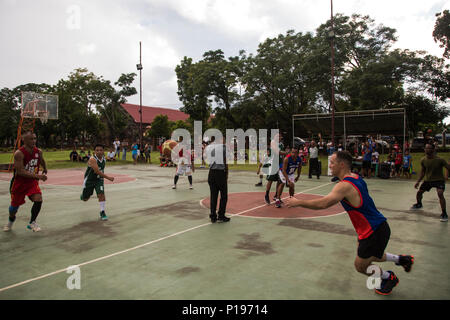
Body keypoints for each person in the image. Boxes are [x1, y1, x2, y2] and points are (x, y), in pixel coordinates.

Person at [286, 151, 414, 295]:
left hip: (374, 230)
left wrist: (298, 202)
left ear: (341, 165)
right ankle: (403, 259)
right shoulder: (356, 177)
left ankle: (388, 277)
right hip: (374, 227)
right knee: (373, 256)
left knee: (360, 266)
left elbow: (323, 204)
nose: (329, 165)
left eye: (332, 162)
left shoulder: (344, 186)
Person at [3, 131, 48, 232]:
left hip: (31, 182)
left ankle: (32, 222)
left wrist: (45, 167)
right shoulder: (19, 153)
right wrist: (38, 176)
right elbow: (20, 171)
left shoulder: (38, 151)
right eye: (31, 139)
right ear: (24, 140)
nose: (34, 141)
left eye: (35, 138)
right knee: (13, 209)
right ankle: (10, 221)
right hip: (19, 183)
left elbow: (41, 160)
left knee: (38, 198)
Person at [411, 143, 450, 222]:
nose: (426, 149)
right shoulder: (423, 160)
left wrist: (446, 176)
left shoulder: (440, 160)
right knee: (419, 193)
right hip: (428, 180)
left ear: (433, 150)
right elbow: (423, 172)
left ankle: (444, 213)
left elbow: (448, 168)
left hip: (439, 180)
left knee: (440, 193)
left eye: (428, 148)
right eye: (426, 148)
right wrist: (418, 181)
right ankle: (419, 204)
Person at [80, 144, 114, 221]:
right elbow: (97, 171)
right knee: (85, 199)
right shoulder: (92, 159)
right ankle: (83, 196)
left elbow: (101, 170)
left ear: (103, 151)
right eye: (97, 150)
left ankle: (102, 212)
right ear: (94, 151)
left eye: (101, 150)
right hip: (90, 180)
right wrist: (108, 178)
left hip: (99, 180)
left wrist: (103, 178)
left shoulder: (104, 159)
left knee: (101, 194)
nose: (99, 152)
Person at [205, 136, 230, 223]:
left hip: (211, 173)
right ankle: (221, 215)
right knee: (224, 196)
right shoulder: (223, 148)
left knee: (213, 196)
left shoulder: (208, 148)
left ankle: (213, 216)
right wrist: (227, 173)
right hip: (220, 173)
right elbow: (225, 161)